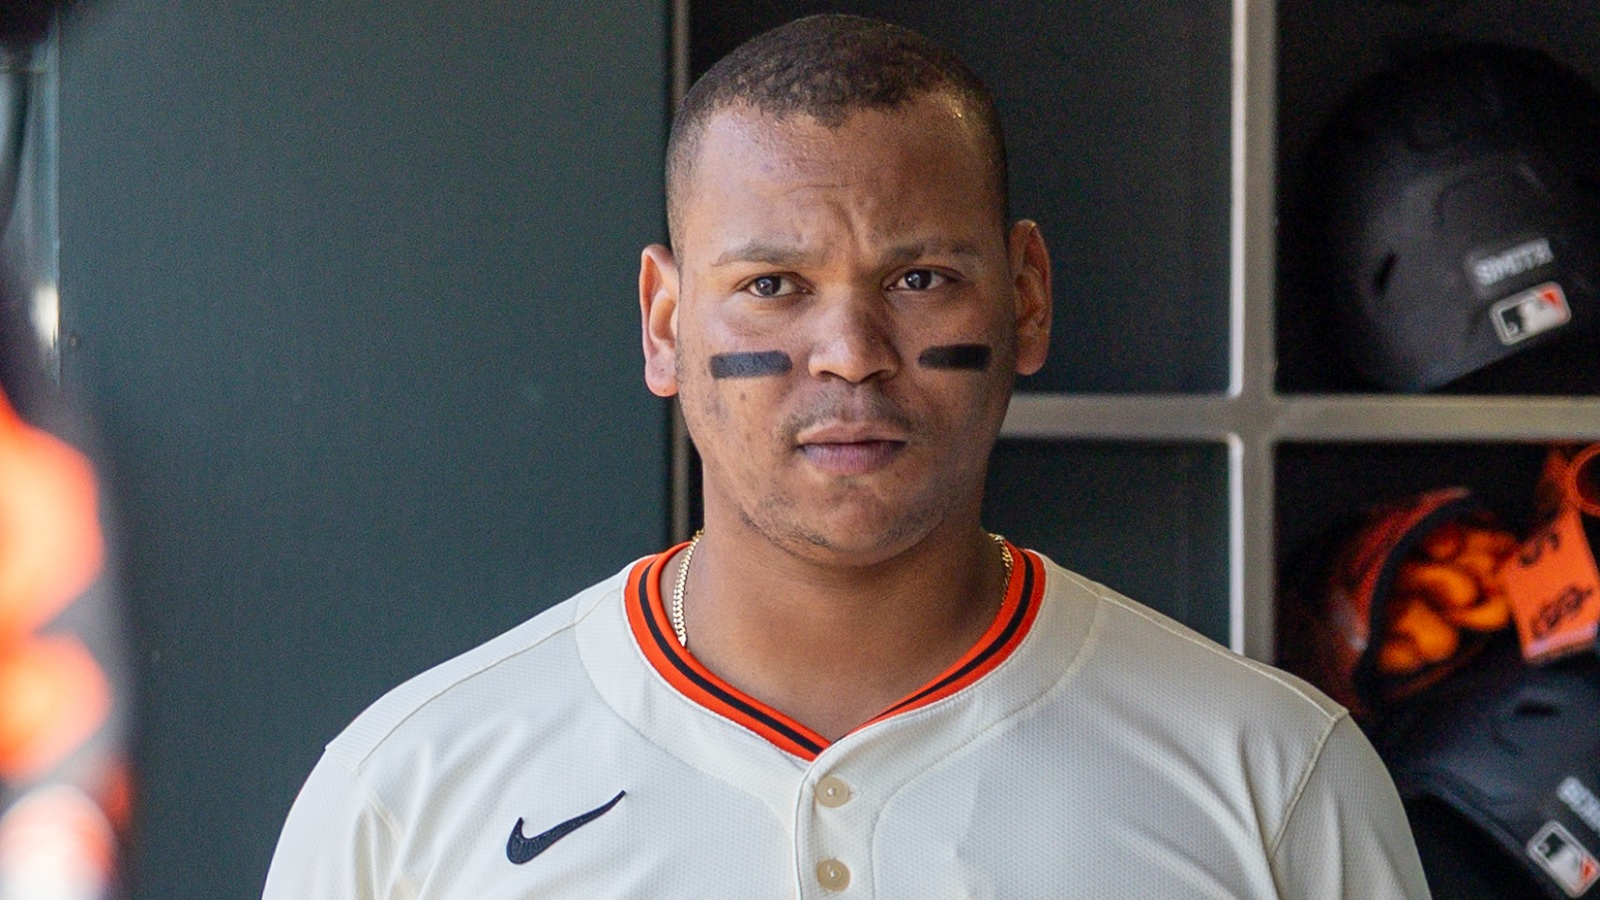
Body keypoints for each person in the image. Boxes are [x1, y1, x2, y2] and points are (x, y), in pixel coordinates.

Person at [263, 14, 1430, 897]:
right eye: (772, 287)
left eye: (918, 279)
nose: (850, 354)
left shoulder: (1272, 778)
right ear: (666, 324)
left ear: (1024, 298)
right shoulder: (409, 791)